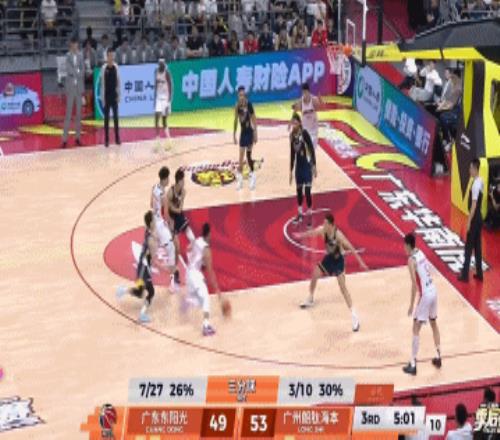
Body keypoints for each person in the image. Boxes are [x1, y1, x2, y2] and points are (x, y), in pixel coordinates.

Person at [295, 213, 367, 331]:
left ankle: (354, 316)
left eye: (325, 223)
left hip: (339, 261)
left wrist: (361, 262)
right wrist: (301, 235)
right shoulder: (322, 230)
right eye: (323, 223)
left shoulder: (338, 235)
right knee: (315, 274)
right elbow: (312, 232)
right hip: (329, 259)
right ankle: (310, 298)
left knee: (343, 288)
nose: (323, 225)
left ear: (331, 224)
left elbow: (351, 248)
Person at [402, 233, 442, 376]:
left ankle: (413, 364)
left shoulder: (411, 260)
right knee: (433, 323)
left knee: (415, 328)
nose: (403, 248)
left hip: (425, 294)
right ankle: (438, 356)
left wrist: (411, 305)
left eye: (404, 245)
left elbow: (414, 285)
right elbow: (430, 270)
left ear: (408, 245)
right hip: (433, 290)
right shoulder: (421, 252)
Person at [116, 211, 158, 323]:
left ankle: (123, 290)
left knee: (140, 292)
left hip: (142, 268)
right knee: (150, 292)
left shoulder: (149, 232)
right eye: (154, 220)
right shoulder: (150, 238)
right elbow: (153, 256)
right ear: (151, 223)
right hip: (144, 270)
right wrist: (164, 268)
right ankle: (142, 314)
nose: (156, 222)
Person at [185, 223, 221, 336]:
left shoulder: (197, 240)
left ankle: (189, 300)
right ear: (209, 234)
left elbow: (188, 249)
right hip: (195, 275)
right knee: (206, 299)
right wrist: (216, 289)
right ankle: (206, 326)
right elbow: (210, 271)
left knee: (200, 300)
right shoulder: (206, 249)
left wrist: (198, 262)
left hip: (188, 273)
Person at [151, 166, 180, 291]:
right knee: (171, 249)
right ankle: (173, 282)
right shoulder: (164, 196)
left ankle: (151, 263)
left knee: (155, 249)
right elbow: (167, 215)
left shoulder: (154, 188)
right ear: (165, 179)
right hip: (159, 224)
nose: (169, 180)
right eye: (168, 178)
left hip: (153, 221)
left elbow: (151, 204)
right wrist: (171, 229)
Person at [458, 158, 484, 282]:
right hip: (479, 218)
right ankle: (479, 273)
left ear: (475, 168)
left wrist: (468, 221)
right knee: (477, 246)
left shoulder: (475, 186)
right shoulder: (480, 181)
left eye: (470, 168)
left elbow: (473, 205)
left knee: (468, 247)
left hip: (474, 218)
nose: (469, 170)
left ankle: (464, 275)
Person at [289, 113, 317, 227]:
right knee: (299, 192)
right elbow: (292, 153)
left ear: (300, 123)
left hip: (307, 165)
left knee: (307, 191)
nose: (294, 125)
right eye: (292, 123)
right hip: (299, 167)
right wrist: (290, 170)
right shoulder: (292, 136)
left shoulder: (304, 133)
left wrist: (314, 165)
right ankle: (300, 214)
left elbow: (311, 148)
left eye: (295, 123)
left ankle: (310, 216)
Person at [62, 37, 85, 149]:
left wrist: (77, 72)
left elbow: (83, 70)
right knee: (68, 114)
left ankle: (78, 137)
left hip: (79, 88)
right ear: (71, 45)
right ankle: (64, 139)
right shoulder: (67, 56)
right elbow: (69, 70)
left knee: (79, 114)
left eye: (77, 44)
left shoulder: (80, 56)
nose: (75, 46)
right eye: (74, 44)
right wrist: (77, 72)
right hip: (71, 88)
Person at [233, 86, 258, 190]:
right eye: (240, 95)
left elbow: (254, 119)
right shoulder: (237, 106)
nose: (242, 97)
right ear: (238, 96)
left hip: (250, 132)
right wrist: (234, 135)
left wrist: (255, 133)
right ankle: (240, 180)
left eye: (243, 95)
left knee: (248, 156)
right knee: (240, 158)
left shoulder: (249, 104)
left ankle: (253, 176)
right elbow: (235, 120)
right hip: (243, 133)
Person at [100, 48, 121, 147]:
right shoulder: (104, 68)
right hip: (106, 97)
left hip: (114, 96)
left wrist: (119, 95)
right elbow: (102, 84)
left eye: (112, 55)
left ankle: (117, 139)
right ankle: (106, 140)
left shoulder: (116, 67)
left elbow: (118, 82)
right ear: (107, 56)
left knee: (116, 118)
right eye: (109, 55)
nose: (111, 57)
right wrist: (102, 98)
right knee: (106, 119)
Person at [292, 83, 321, 149]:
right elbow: (295, 110)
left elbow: (319, 106)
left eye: (305, 92)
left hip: (313, 127)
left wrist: (320, 101)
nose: (304, 94)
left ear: (308, 91)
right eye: (303, 92)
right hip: (305, 127)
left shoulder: (313, 99)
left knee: (313, 148)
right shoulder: (300, 101)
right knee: (306, 146)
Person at [154, 59, 172, 150]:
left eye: (162, 64)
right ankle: (158, 141)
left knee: (164, 121)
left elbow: (171, 85)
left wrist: (169, 100)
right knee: (156, 119)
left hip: (165, 98)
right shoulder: (156, 72)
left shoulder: (167, 73)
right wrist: (154, 98)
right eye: (159, 64)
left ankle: (169, 141)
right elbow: (155, 85)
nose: (160, 65)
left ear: (164, 65)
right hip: (158, 98)